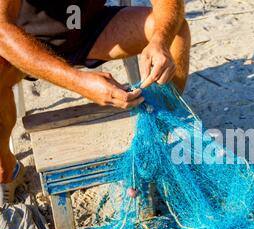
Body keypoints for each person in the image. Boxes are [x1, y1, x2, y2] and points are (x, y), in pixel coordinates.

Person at [0, 0, 191, 206]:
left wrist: (159, 41)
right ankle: (6, 169)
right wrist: (79, 82)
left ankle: (157, 138)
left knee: (175, 32)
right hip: (25, 39)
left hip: (91, 28)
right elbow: (2, 31)